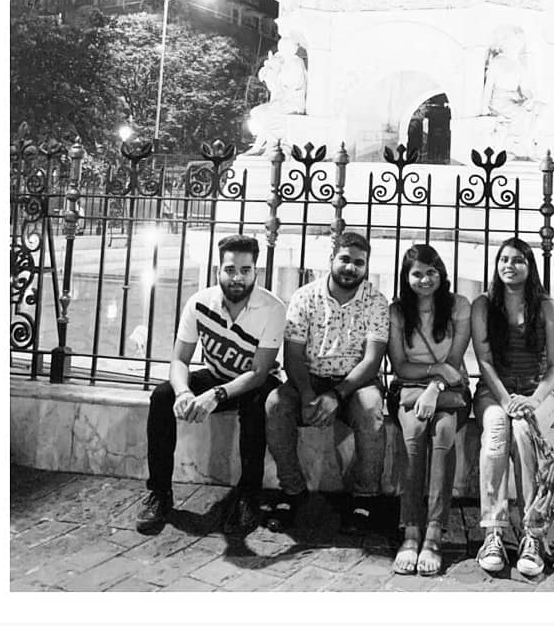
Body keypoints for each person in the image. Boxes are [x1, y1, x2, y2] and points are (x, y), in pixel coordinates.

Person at [135, 234, 285, 536]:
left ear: (256, 271)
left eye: (245, 270)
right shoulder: (199, 302)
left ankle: (248, 496)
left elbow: (258, 372)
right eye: (230, 269)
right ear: (219, 270)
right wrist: (184, 391)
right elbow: (179, 359)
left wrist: (215, 396)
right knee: (161, 396)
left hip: (253, 382)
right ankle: (160, 493)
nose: (237, 277)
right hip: (216, 374)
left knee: (259, 404)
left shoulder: (273, 308)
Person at [264, 232, 389, 534]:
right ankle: (292, 490)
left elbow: (372, 360)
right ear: (332, 259)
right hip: (309, 379)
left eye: (359, 263)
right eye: (345, 259)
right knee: (275, 405)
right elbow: (293, 354)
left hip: (357, 382)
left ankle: (365, 497)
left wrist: (337, 394)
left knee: (372, 409)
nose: (351, 268)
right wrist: (308, 396)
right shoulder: (304, 297)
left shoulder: (376, 301)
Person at [470, 237, 554, 578]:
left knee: (525, 431)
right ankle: (492, 532)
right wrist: (507, 399)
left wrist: (534, 400)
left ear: (530, 266)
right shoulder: (484, 305)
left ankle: (531, 533)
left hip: (537, 394)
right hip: (494, 394)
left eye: (517, 260)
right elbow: (485, 362)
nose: (509, 265)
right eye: (504, 260)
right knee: (497, 430)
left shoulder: (547, 307)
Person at [387, 245, 472, 577]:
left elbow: (454, 368)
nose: (425, 279)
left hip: (448, 393)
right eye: (417, 273)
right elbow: (400, 365)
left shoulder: (458, 307)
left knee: (444, 431)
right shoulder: (397, 312)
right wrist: (432, 374)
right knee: (415, 431)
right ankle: (410, 533)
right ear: (406, 277)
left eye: (431, 272)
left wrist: (435, 387)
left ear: (442, 274)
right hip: (409, 390)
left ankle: (434, 533)